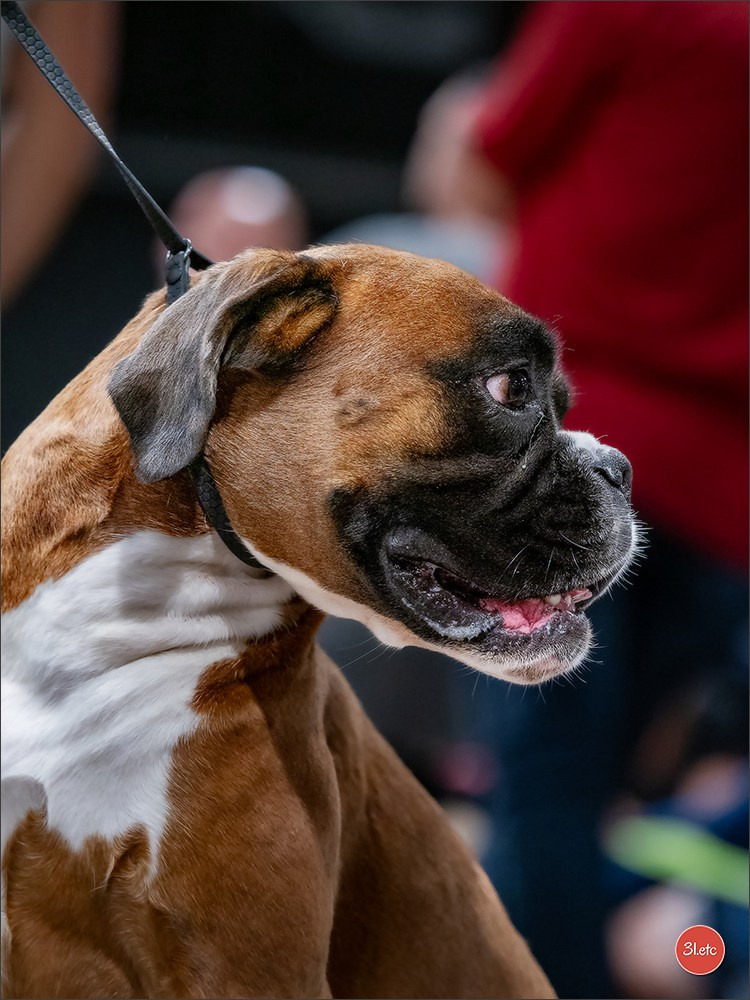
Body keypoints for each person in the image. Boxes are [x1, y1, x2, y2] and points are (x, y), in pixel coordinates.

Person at [402, 3, 748, 995]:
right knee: (595, 794)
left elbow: (484, 158)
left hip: (574, 446)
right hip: (724, 494)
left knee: (540, 791)